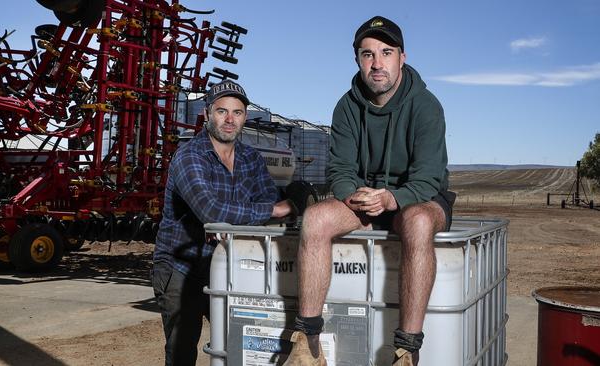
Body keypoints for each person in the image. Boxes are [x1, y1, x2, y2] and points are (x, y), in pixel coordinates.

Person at [283, 16, 455, 366]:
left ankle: (406, 351)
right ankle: (307, 344)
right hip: (363, 197)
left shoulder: (426, 106)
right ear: (358, 60)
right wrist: (353, 194)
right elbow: (340, 170)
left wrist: (393, 198)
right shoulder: (347, 107)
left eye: (386, 52)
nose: (377, 63)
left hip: (418, 198)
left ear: (402, 58)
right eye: (367, 54)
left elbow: (428, 176)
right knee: (315, 217)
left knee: (418, 222)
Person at [152, 80, 296, 366]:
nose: (230, 120)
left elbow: (266, 198)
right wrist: (267, 211)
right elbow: (211, 209)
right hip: (182, 269)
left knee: (237, 344)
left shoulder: (251, 159)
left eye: (238, 113)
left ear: (244, 117)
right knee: (182, 351)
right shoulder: (189, 156)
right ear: (207, 114)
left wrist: (234, 221)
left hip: (231, 265)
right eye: (222, 111)